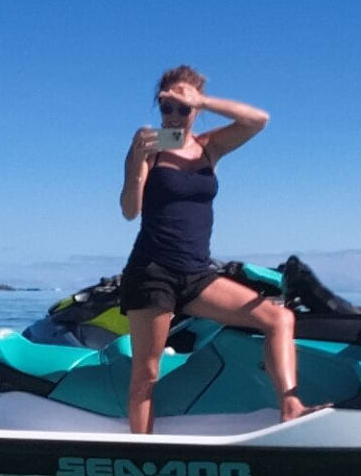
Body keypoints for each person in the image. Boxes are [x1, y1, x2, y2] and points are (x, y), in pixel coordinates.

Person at [117, 66, 306, 433]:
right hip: (152, 271)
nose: (173, 116)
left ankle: (291, 404)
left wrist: (199, 98)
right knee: (147, 372)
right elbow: (129, 210)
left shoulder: (209, 147)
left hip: (197, 274)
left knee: (279, 318)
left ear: (197, 110)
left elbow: (259, 120)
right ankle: (140, 451)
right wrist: (136, 163)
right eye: (165, 107)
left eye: (182, 108)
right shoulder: (150, 148)